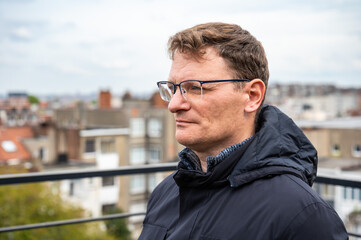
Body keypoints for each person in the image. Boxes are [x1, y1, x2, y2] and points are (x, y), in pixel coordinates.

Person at [139, 22, 348, 240]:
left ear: (252, 96)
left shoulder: (302, 215)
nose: (174, 104)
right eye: (173, 89)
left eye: (195, 88)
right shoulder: (166, 192)